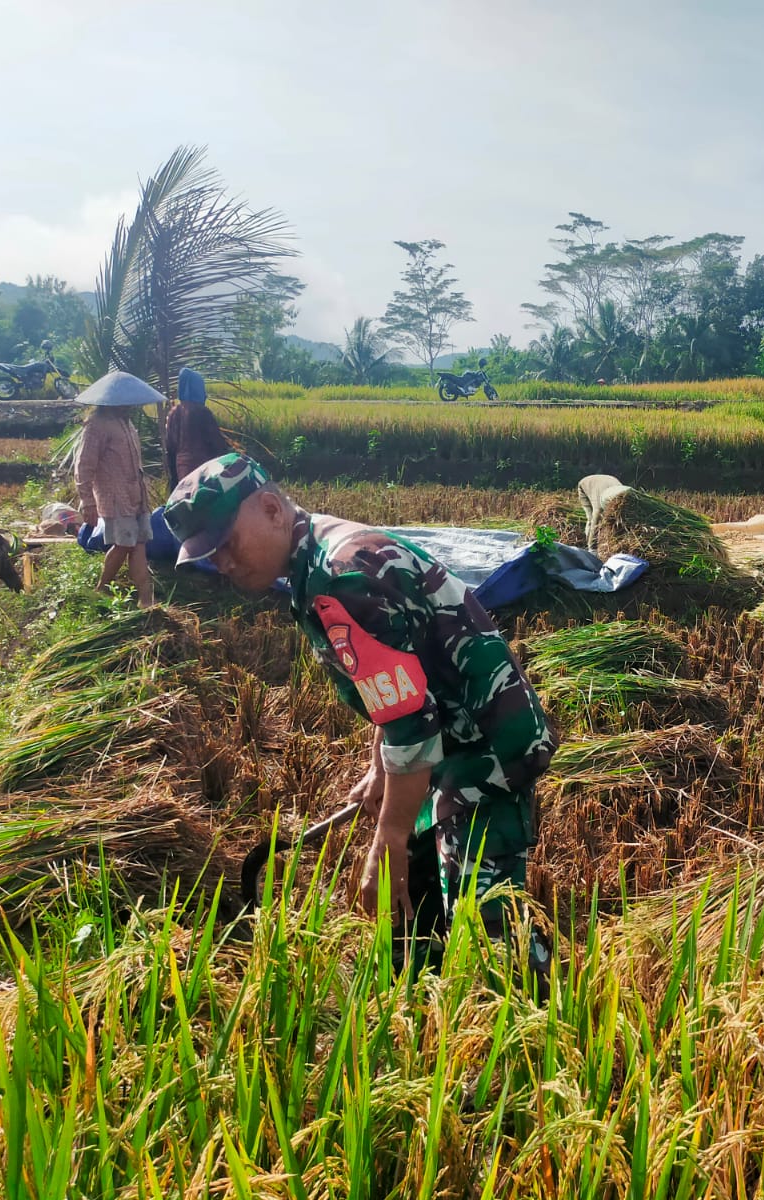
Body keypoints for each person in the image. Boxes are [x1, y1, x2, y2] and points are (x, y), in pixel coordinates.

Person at [164, 453, 558, 989]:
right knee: (416, 895)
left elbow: (411, 721)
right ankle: (420, 999)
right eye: (212, 555)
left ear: (271, 509)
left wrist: (389, 834)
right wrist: (377, 769)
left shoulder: (341, 577)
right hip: (445, 740)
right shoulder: (316, 558)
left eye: (227, 543)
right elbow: (391, 682)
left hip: (486, 747)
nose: (224, 564)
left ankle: (525, 1011)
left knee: (485, 923)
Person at [73, 370, 161, 608]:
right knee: (124, 544)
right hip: (115, 497)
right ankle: (101, 589)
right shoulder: (96, 426)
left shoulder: (126, 422)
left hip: (136, 495)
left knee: (139, 543)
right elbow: (84, 466)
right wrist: (87, 502)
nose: (130, 405)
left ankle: (146, 599)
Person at [164, 367, 231, 489]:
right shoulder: (202, 412)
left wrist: (173, 480)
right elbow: (218, 445)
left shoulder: (173, 413)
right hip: (204, 469)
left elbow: (170, 449)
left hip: (181, 472)